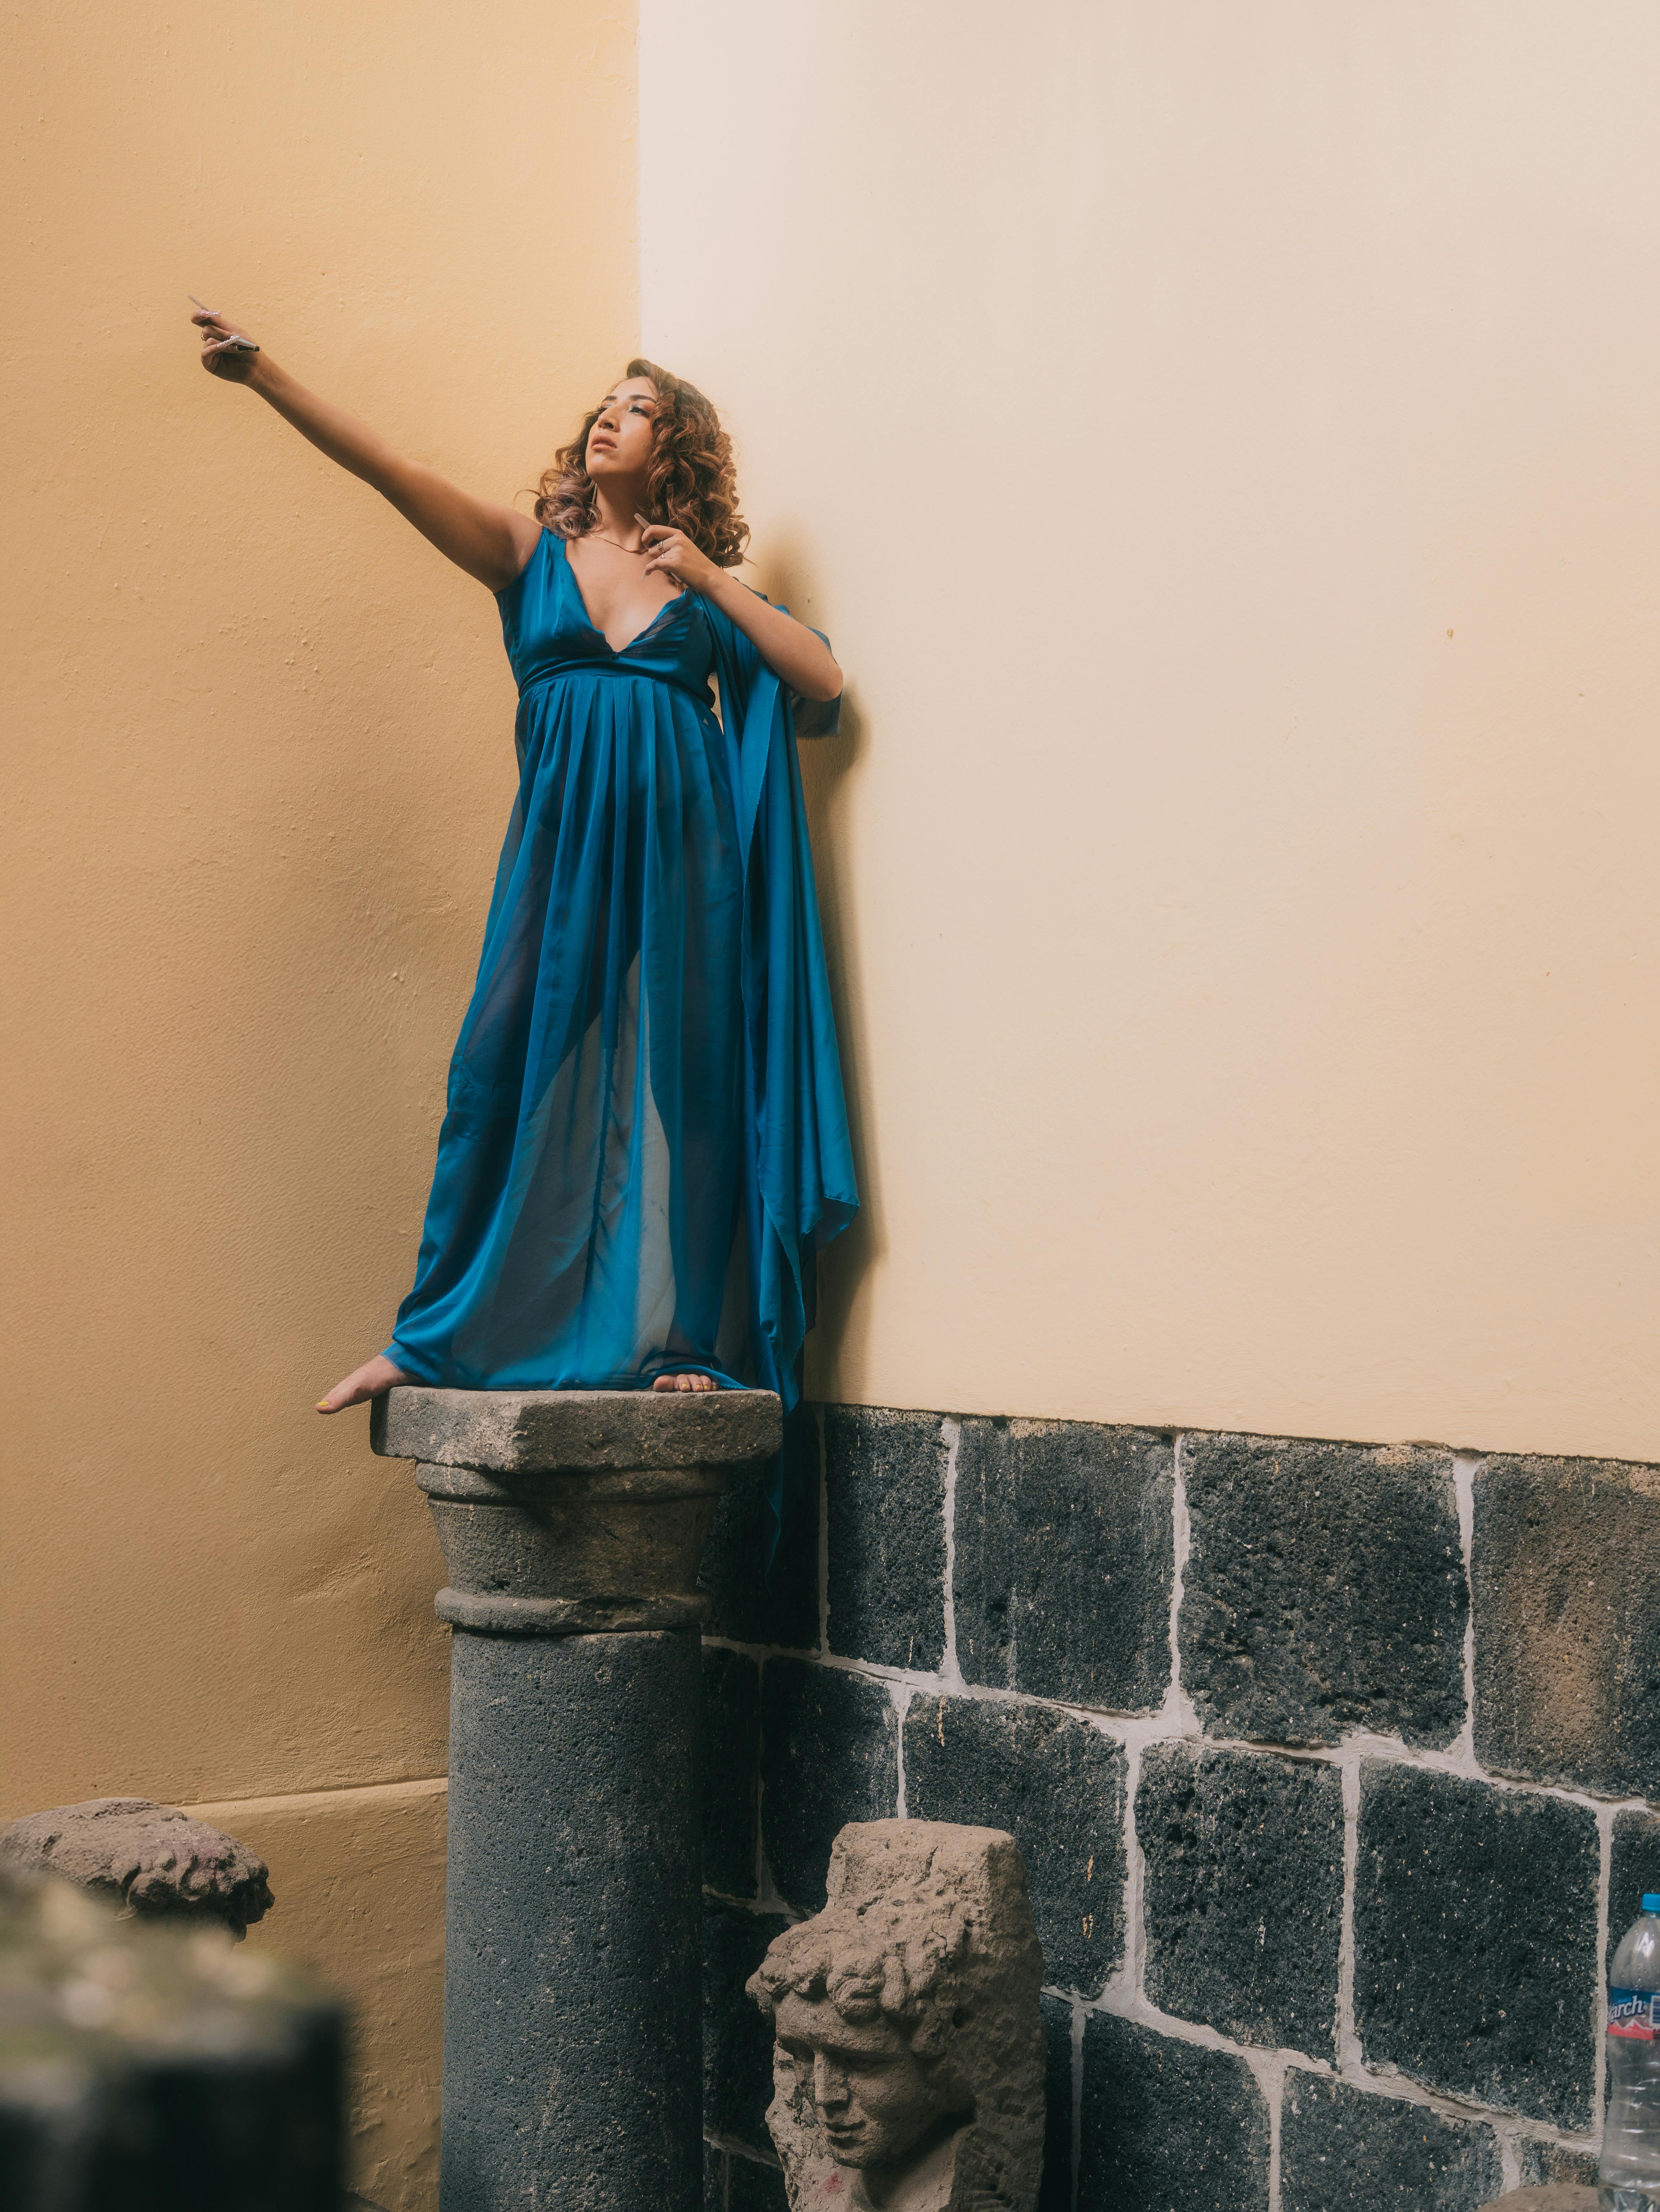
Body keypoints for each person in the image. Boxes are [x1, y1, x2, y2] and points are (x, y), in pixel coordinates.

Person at [193, 307, 857, 1431]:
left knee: (696, 1088)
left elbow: (822, 681)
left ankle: (693, 1345)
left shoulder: (696, 586)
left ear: (678, 449)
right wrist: (266, 376)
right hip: (565, 846)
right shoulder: (526, 554)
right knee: (497, 1062)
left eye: (640, 410)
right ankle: (428, 1337)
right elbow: (391, 470)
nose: (611, 417)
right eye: (607, 404)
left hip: (689, 857)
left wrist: (707, 575)